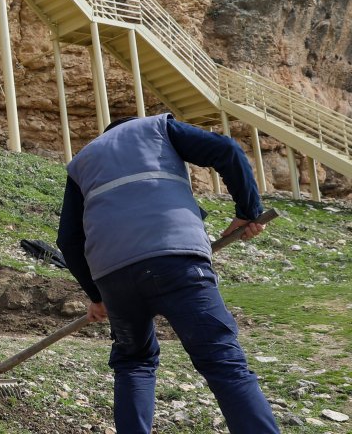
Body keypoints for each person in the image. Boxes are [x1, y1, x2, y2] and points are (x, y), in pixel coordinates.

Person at [57, 114, 279, 434]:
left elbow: (68, 239)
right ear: (132, 125)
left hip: (115, 278)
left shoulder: (82, 160)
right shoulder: (157, 128)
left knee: (133, 362)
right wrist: (247, 211)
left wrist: (97, 295)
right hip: (177, 263)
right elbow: (227, 149)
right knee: (223, 362)